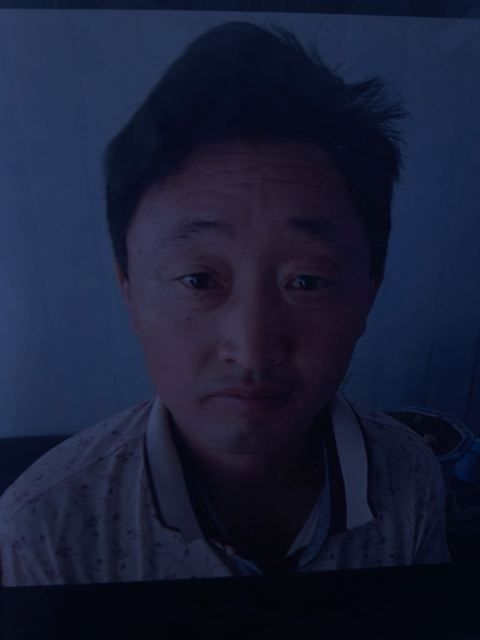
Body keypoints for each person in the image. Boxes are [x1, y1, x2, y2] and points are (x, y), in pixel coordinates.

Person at [0, 21, 450, 585]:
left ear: (369, 292)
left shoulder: (409, 475)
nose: (253, 348)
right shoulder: (43, 530)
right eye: (198, 279)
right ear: (130, 291)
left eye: (307, 281)